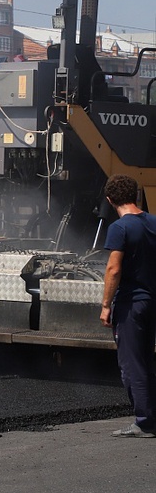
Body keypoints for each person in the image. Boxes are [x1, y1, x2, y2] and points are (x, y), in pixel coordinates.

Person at [100, 174, 156, 438]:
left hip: (131, 305)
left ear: (110, 200)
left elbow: (113, 269)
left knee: (132, 365)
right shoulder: (154, 222)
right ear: (136, 195)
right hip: (151, 302)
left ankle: (145, 422)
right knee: (146, 361)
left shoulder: (119, 228)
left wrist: (105, 305)